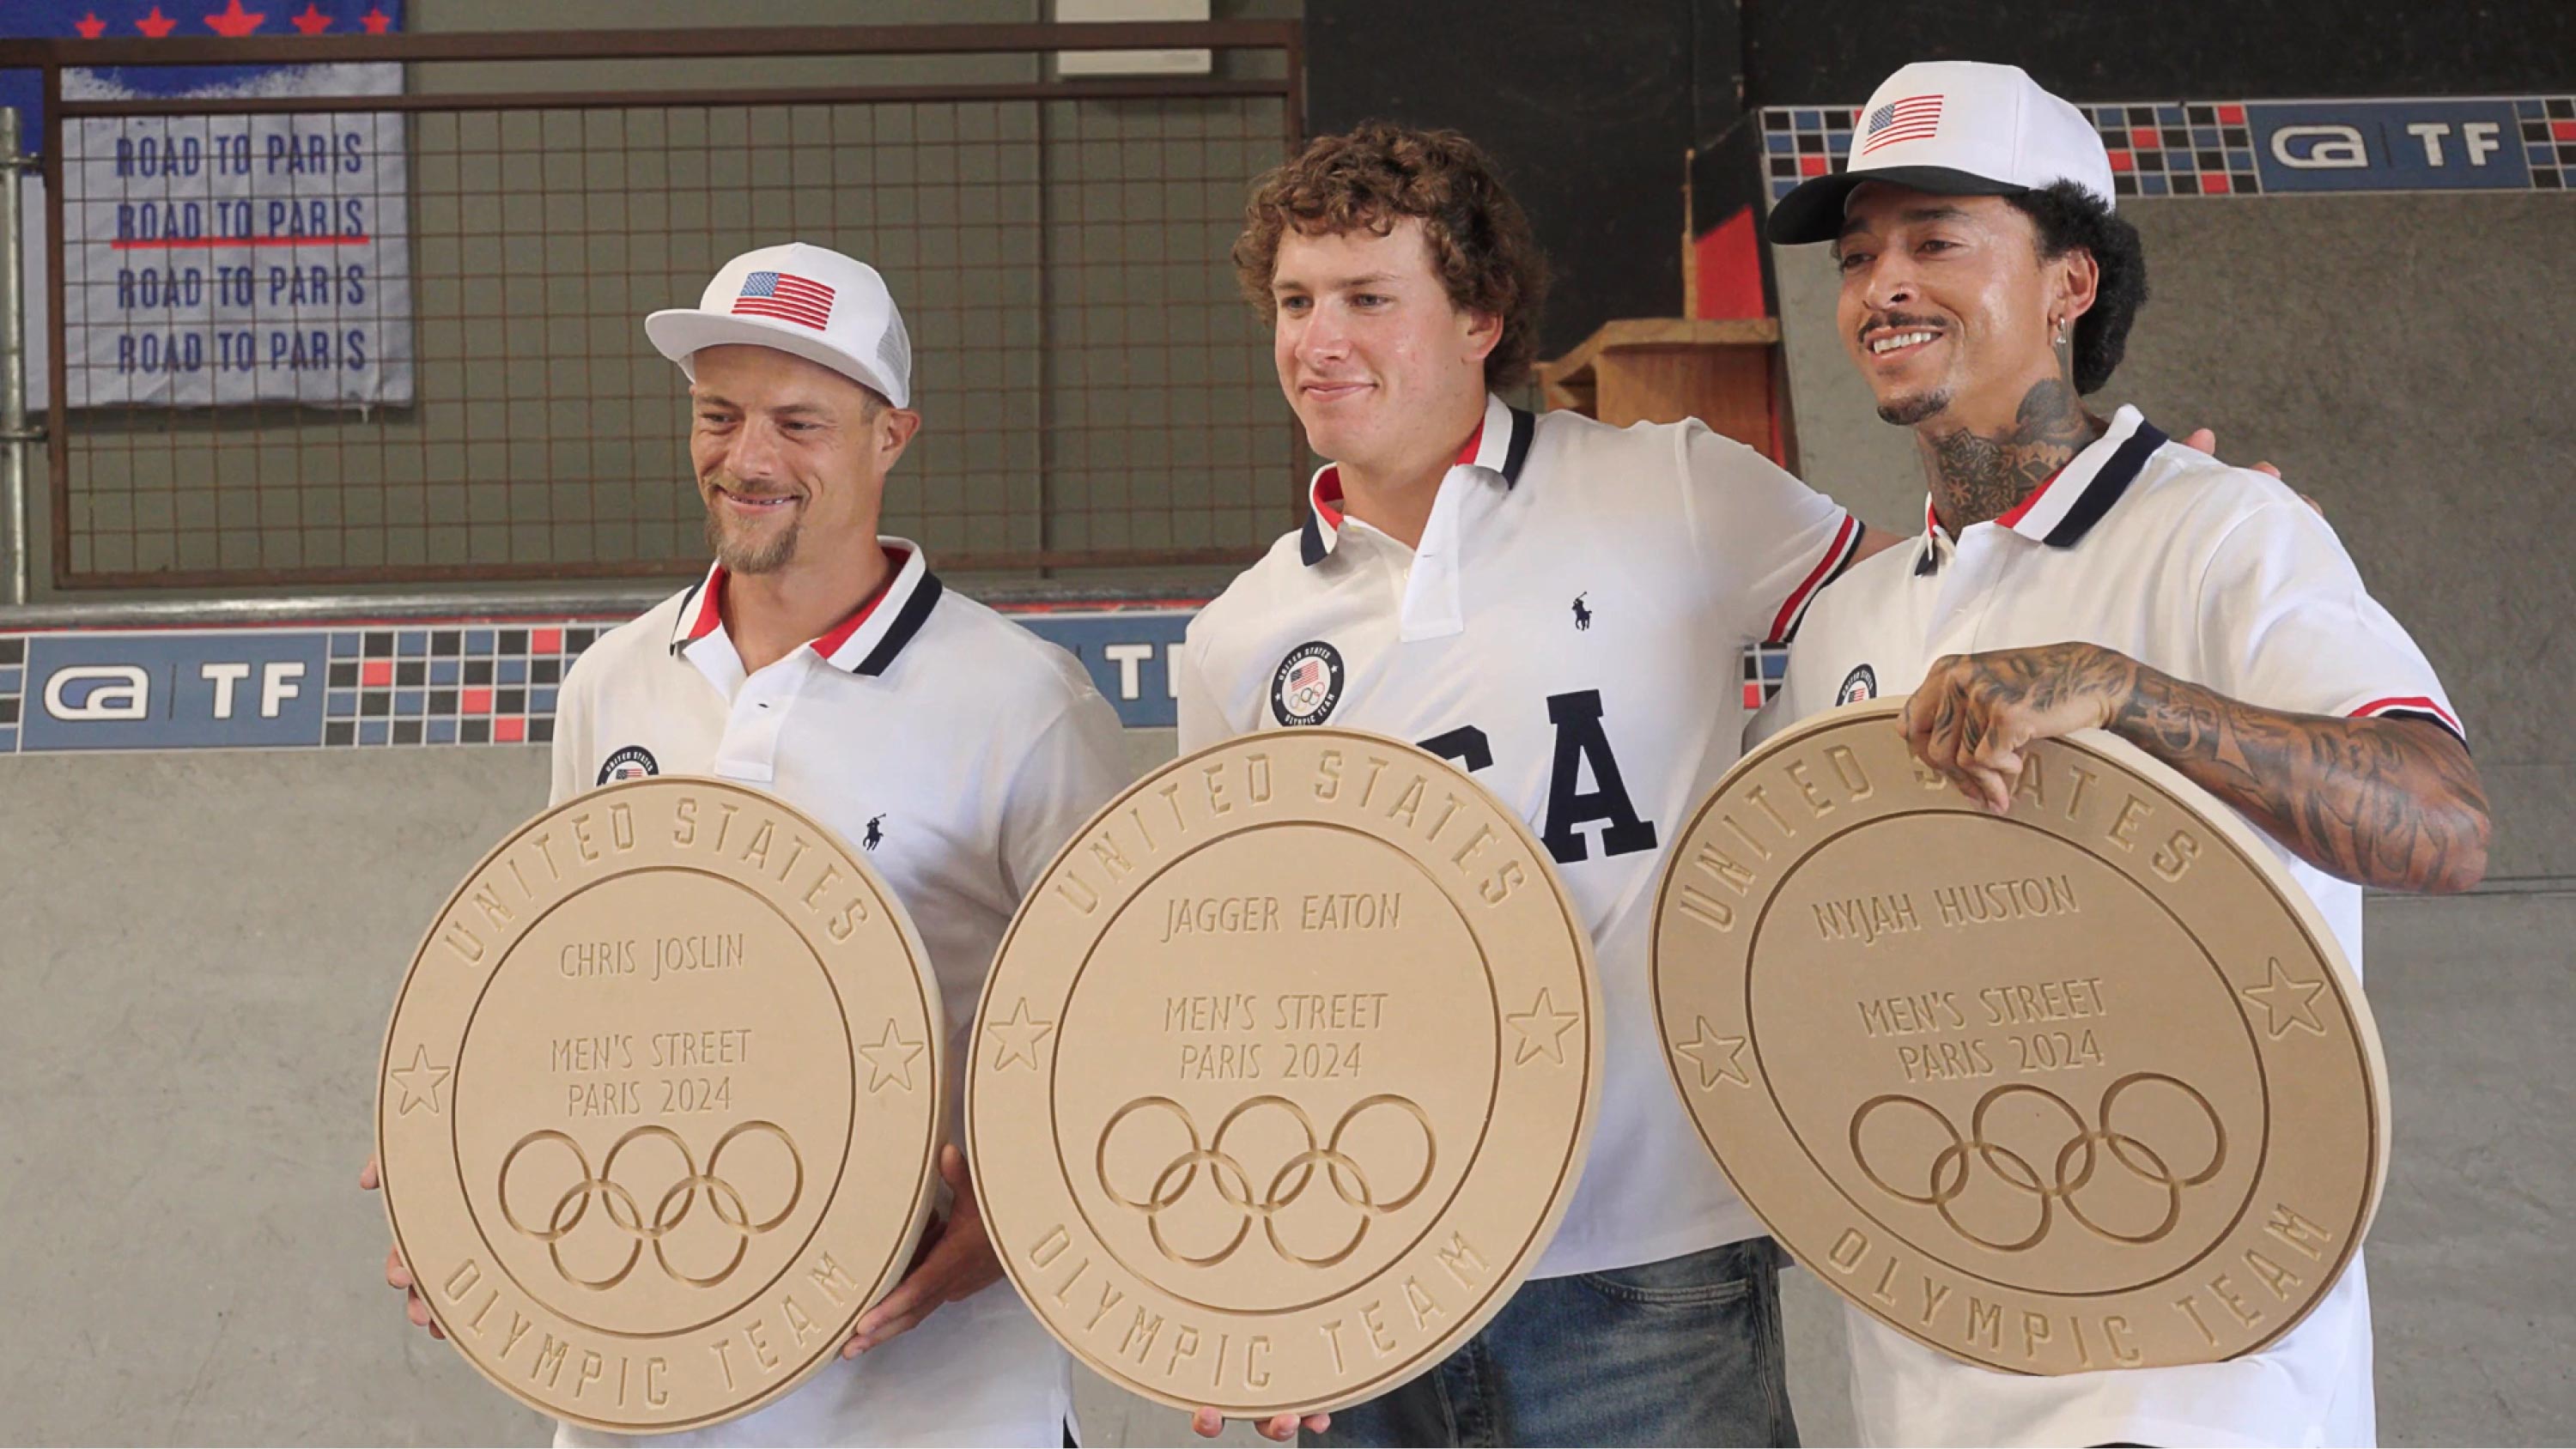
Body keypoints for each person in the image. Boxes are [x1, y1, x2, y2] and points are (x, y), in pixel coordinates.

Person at [1759, 60, 2489, 1447]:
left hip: (2195, 1370)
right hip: (1939, 1359)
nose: (1880, 288)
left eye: (1936, 241)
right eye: (1859, 256)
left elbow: (2444, 824)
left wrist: (2124, 691)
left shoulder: (2225, 534)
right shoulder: (1851, 614)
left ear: (2069, 282)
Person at [1171, 120, 1923, 1447]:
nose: (1317, 340)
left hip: (1651, 1266)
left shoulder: (1676, 491)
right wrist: (1258, 1278)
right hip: (1371, 1270)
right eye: (1294, 301)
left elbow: (1917, 627)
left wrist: (2123, 542)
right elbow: (1235, 978)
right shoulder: (1240, 636)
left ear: (1481, 315)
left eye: (1366, 298)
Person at [361, 241, 1131, 1447]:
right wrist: (472, 1194)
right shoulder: (614, 685)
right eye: (717, 416)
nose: (749, 458)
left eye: (799, 422)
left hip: (937, 1400)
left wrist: (1000, 1230)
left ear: (892, 437)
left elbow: (1117, 1044)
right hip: (647, 1386)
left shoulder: (1024, 701)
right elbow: (569, 995)